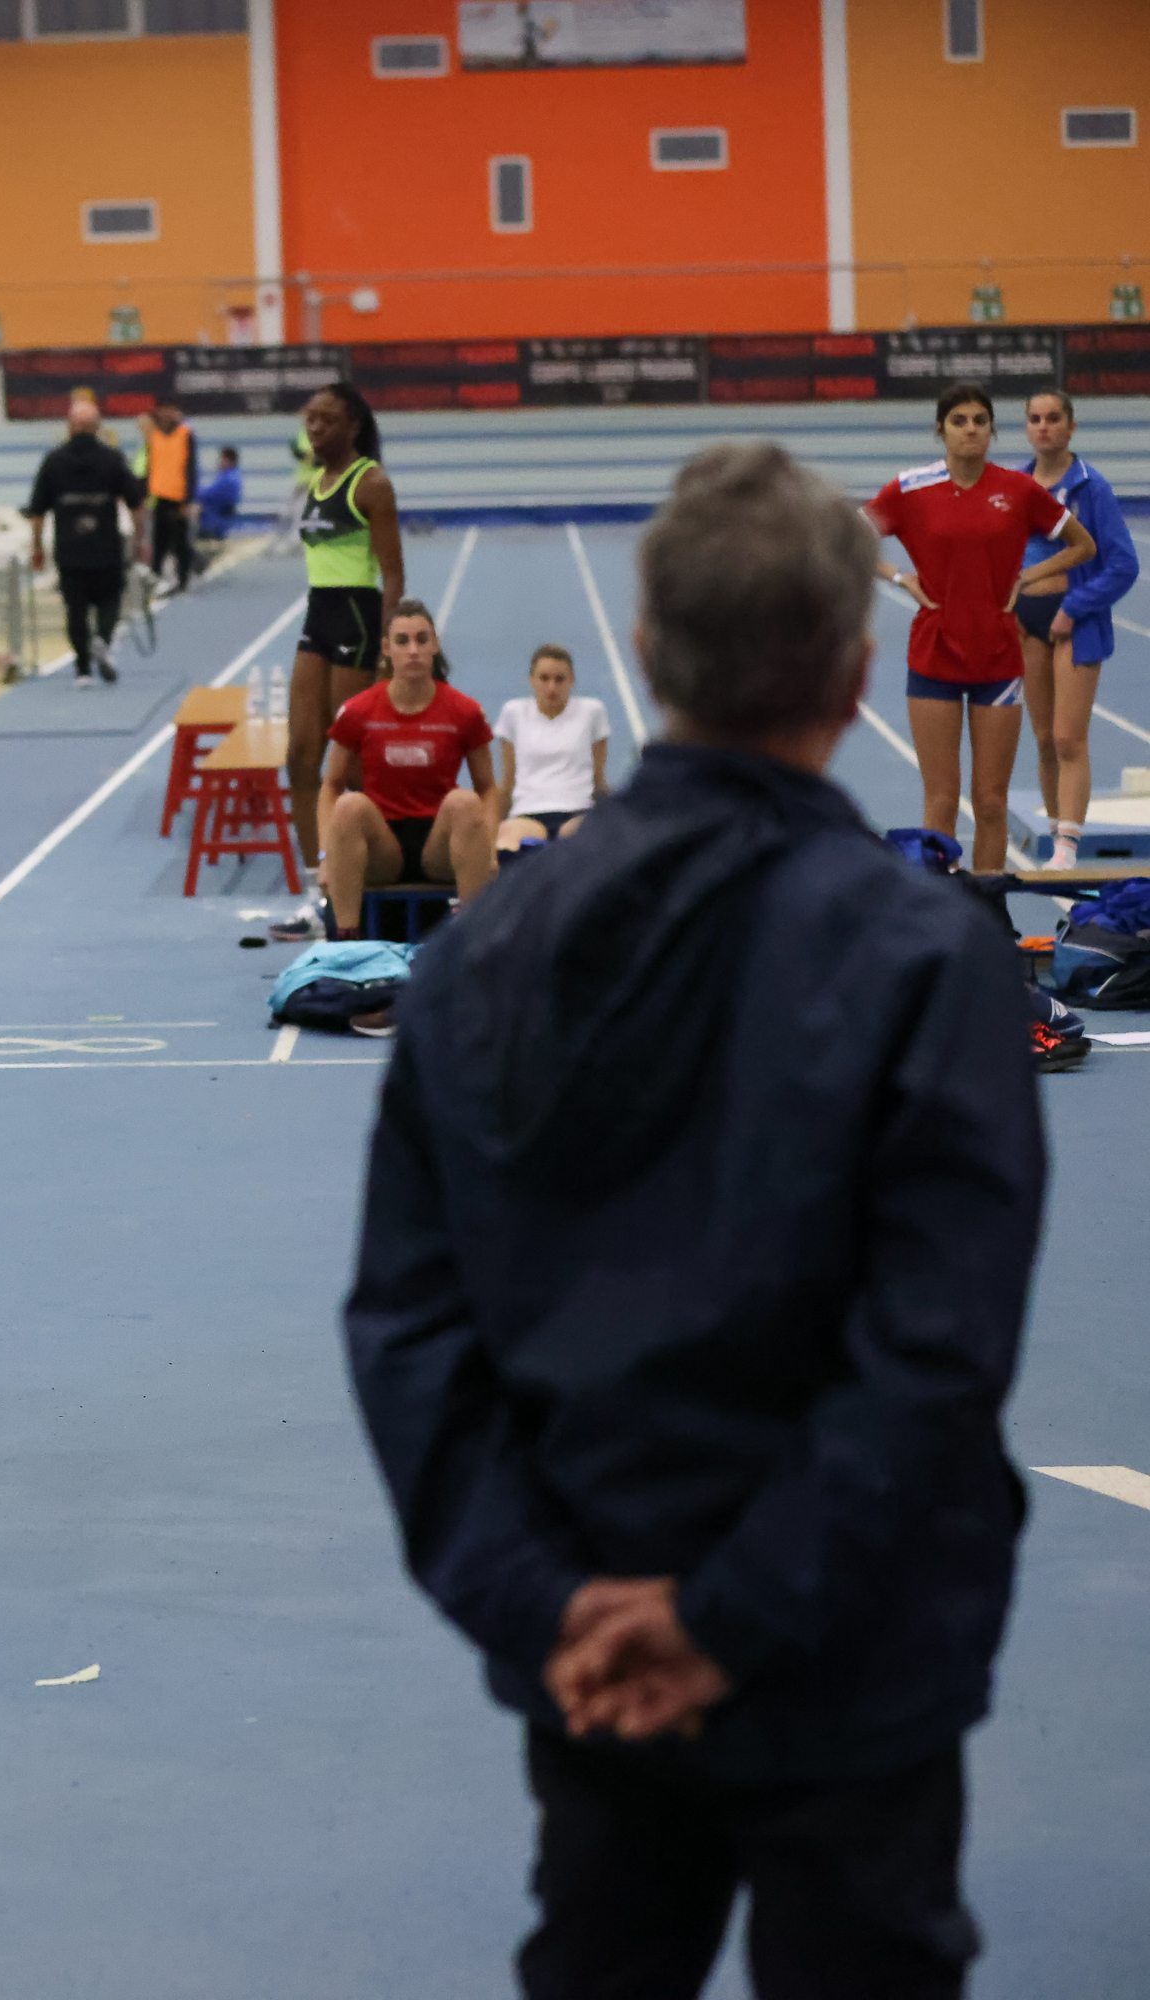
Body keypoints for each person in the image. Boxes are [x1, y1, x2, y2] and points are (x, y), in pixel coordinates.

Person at [345, 439, 1044, 2000]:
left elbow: (408, 1333)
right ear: (859, 671)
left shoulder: (482, 956)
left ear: (647, 657)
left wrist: (549, 1608)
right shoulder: (933, 961)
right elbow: (937, 1355)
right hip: (859, 1653)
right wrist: (729, 1621)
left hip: (591, 1655)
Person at [864, 383, 1093, 875]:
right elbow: (848, 537)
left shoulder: (1019, 490)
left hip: (999, 659)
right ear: (941, 430)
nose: (970, 429)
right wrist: (900, 577)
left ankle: (989, 909)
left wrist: (1027, 577)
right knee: (941, 800)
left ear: (991, 429)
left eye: (980, 420)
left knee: (991, 802)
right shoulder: (911, 488)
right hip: (934, 656)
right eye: (959, 421)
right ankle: (940, 909)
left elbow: (1083, 545)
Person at [269, 381, 405, 937]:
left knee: (350, 765)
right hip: (318, 615)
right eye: (310, 418)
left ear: (353, 426)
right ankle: (314, 887)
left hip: (357, 616)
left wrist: (389, 648)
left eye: (327, 419)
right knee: (301, 756)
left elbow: (392, 573)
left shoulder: (370, 483)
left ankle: (368, 884)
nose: (315, 427)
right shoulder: (316, 481)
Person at [317, 599, 495, 937]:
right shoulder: (358, 711)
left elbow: (487, 788)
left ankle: (475, 941)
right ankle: (345, 940)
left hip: (438, 844)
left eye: (421, 639)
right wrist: (327, 855)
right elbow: (331, 786)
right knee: (349, 805)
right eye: (403, 641)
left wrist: (489, 848)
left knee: (465, 802)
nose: (413, 650)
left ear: (435, 644)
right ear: (387, 648)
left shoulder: (465, 712)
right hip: (382, 845)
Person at [1015, 389, 1139, 867]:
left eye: (1053, 418)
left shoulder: (1092, 488)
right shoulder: (1015, 485)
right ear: (1027, 427)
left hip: (1074, 622)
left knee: (1068, 737)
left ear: (1071, 426)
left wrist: (1075, 606)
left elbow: (1123, 565)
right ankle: (1054, 834)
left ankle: (1068, 846)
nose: (1043, 426)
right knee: (1044, 739)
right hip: (1026, 622)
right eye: (1035, 418)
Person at [24, 397, 147, 686]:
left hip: (70, 549)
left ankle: (82, 671)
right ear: (98, 427)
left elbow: (37, 511)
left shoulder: (53, 461)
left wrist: (37, 546)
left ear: (69, 427)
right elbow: (136, 504)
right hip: (105, 547)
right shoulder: (112, 459)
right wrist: (139, 540)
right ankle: (102, 639)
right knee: (110, 601)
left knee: (75, 609)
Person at [491, 644, 610, 848]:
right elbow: (508, 781)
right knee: (507, 842)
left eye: (559, 679)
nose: (552, 687)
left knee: (581, 838)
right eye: (544, 678)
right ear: (532, 680)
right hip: (528, 813)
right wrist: (493, 828)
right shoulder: (513, 713)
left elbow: (598, 780)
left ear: (571, 680)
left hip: (577, 811)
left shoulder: (592, 712)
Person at [134, 402, 200, 594]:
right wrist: (143, 494)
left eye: (169, 411)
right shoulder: (154, 436)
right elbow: (150, 467)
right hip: (159, 496)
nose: (165, 415)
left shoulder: (185, 434)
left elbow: (191, 468)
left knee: (180, 542)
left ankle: (183, 579)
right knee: (159, 542)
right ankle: (155, 578)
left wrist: (188, 499)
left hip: (178, 497)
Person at [197, 445, 243, 545]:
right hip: (217, 521)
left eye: (221, 459)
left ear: (227, 460)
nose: (219, 463)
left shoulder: (228, 479)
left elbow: (207, 495)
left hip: (215, 523)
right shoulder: (230, 476)